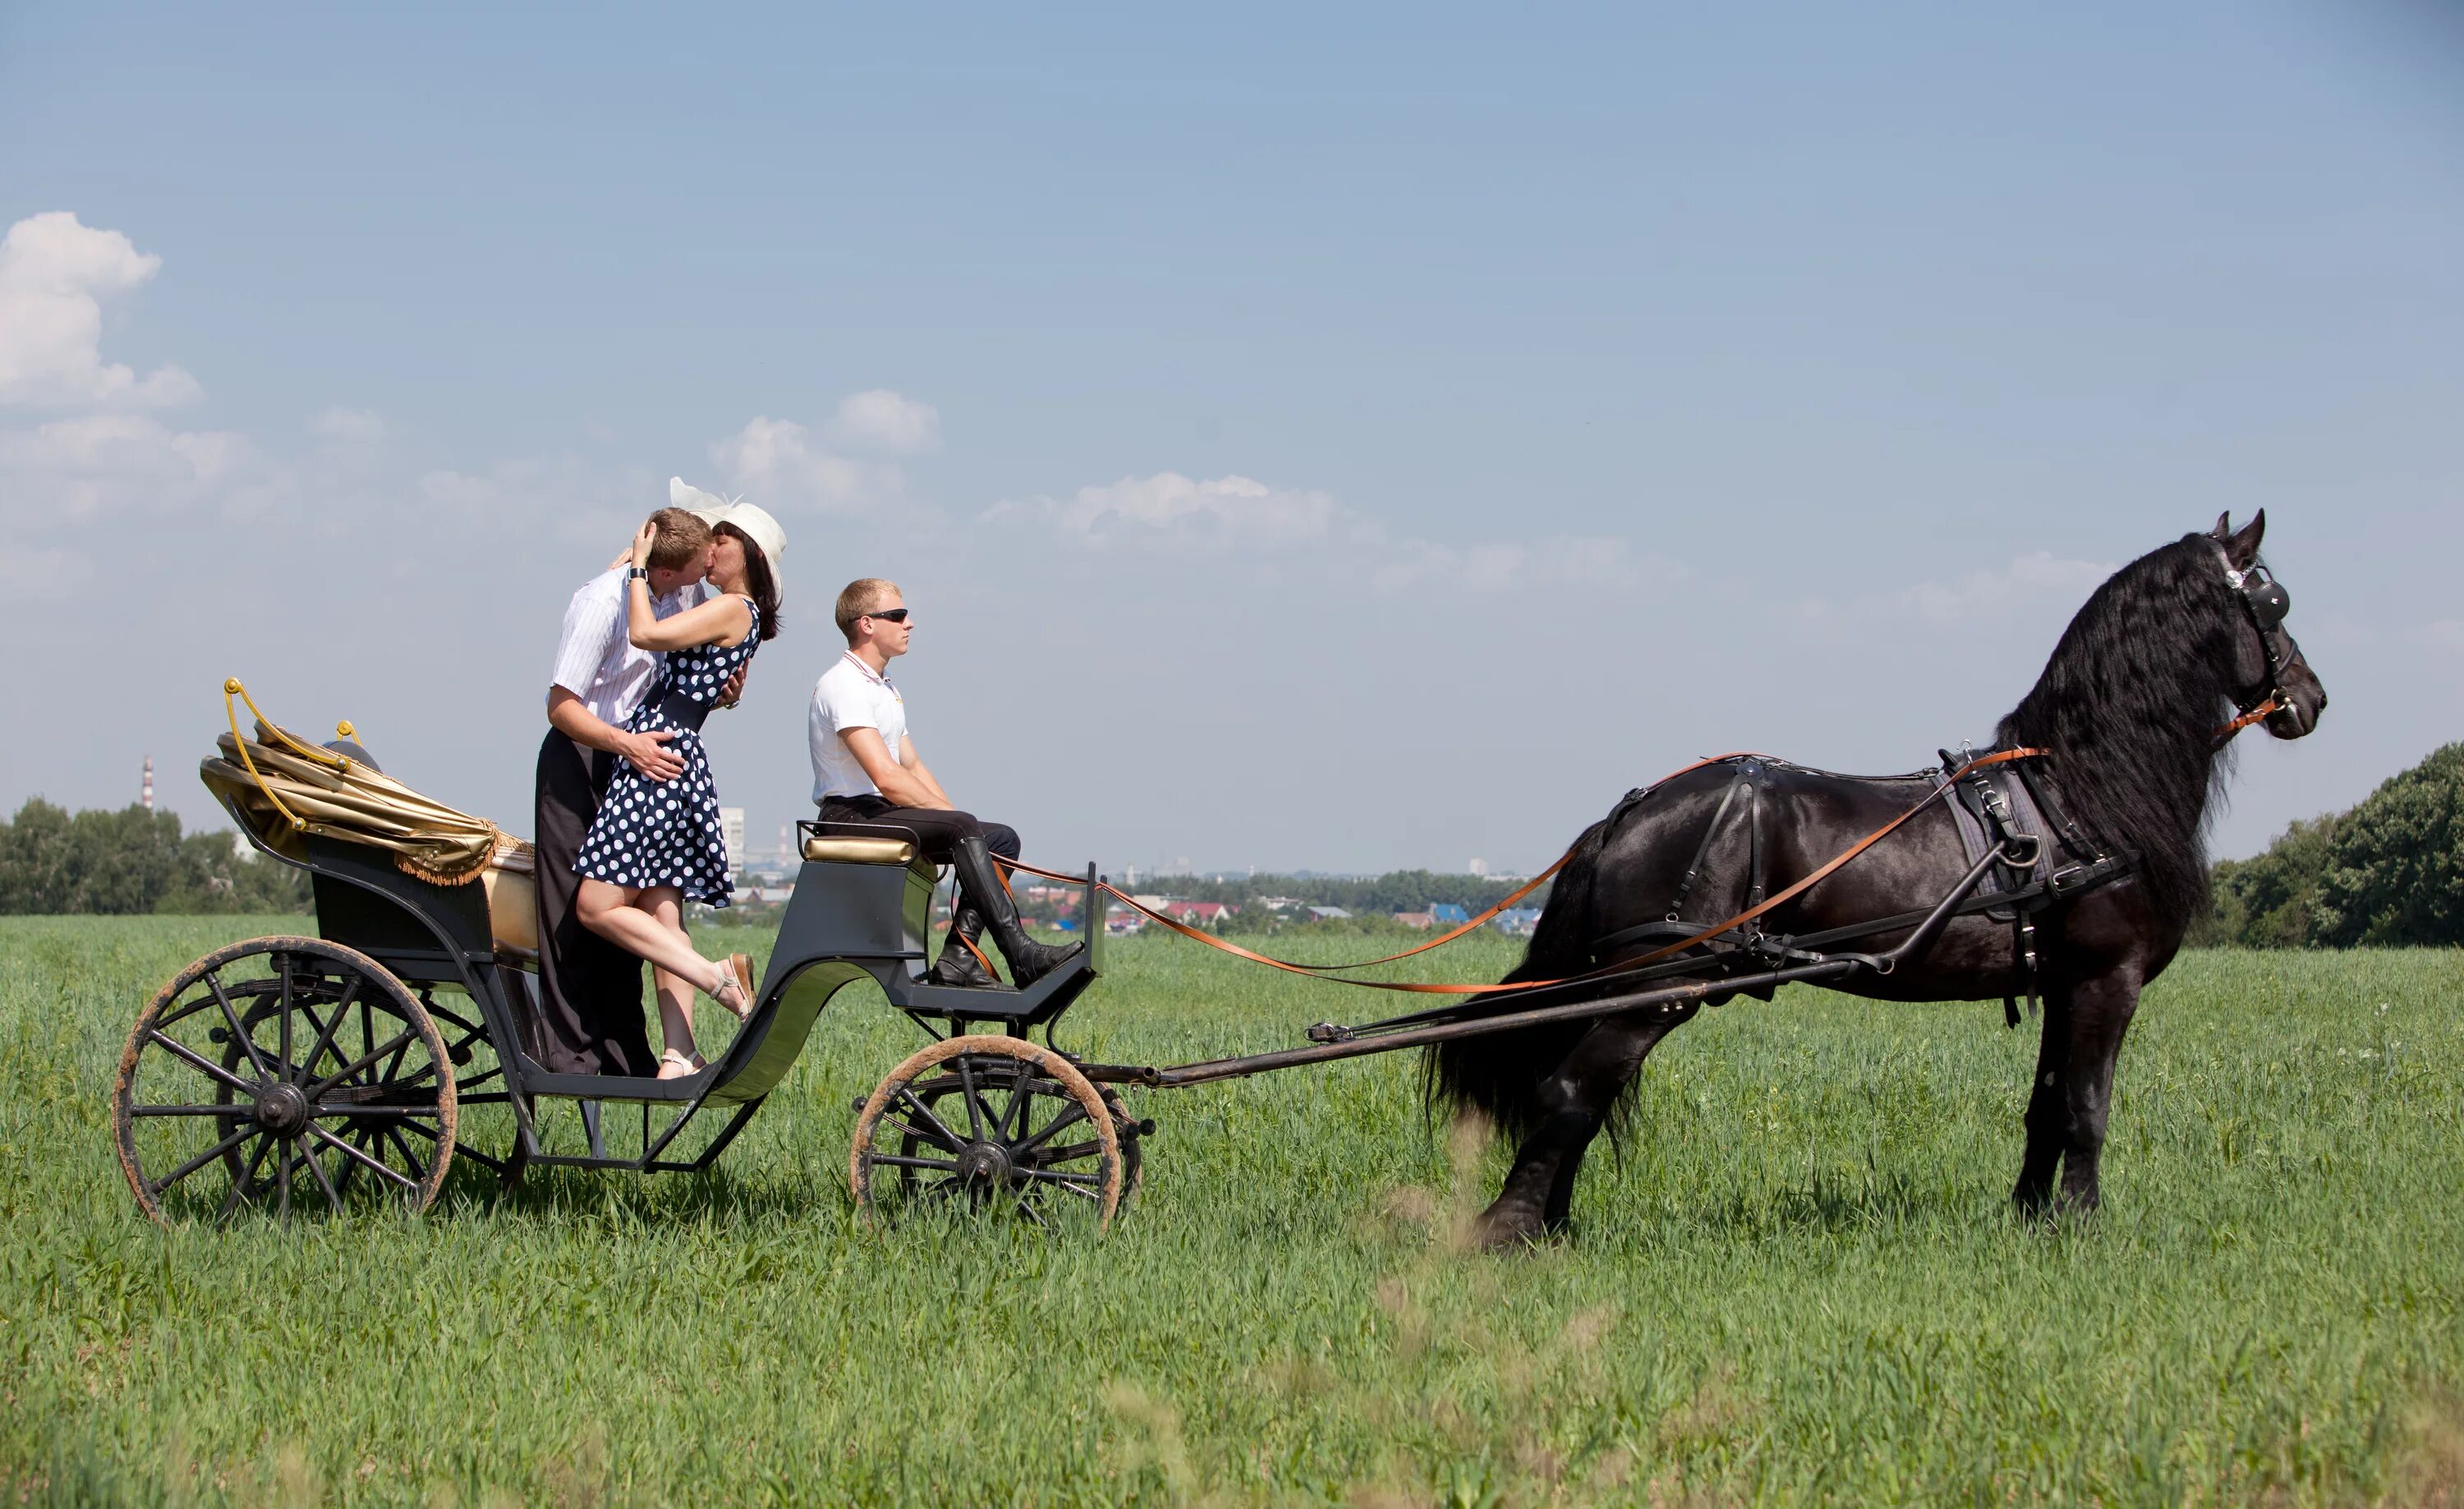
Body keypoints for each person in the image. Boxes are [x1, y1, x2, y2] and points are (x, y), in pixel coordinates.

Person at [574, 504, 788, 1077]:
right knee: (659, 909)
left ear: (749, 554)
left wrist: (640, 566)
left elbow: (644, 633)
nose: (713, 545)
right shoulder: (729, 609)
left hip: (656, 753)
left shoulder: (731, 608)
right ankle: (680, 1051)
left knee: (595, 905)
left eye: (725, 537)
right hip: (677, 750)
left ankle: (718, 977)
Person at [808, 577, 1081, 988]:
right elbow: (887, 777)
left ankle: (959, 957)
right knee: (965, 827)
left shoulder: (884, 688)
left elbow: (913, 765)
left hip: (879, 810)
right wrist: (959, 824)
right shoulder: (842, 685)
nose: (909, 623)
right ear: (866, 624)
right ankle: (1019, 953)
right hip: (849, 814)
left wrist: (960, 822)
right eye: (898, 615)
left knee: (1001, 839)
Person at [533, 504, 716, 1077]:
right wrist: (624, 744)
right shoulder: (601, 602)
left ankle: (629, 1056)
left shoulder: (681, 595)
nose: (706, 572)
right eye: (697, 567)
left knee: (639, 904)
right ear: (664, 572)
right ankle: (573, 1058)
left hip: (636, 766)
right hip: (583, 756)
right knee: (573, 911)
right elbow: (561, 705)